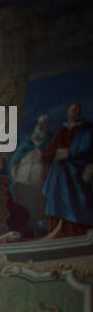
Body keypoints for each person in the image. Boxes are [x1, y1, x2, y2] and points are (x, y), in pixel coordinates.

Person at [42, 101, 93, 238]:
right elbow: (47, 153)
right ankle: (59, 226)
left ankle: (73, 228)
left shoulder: (86, 130)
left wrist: (69, 153)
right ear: (67, 113)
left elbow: (88, 151)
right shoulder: (61, 131)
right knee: (58, 173)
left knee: (64, 175)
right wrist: (58, 153)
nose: (76, 112)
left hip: (79, 169)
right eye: (73, 109)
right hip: (60, 170)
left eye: (78, 109)